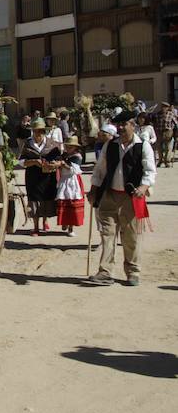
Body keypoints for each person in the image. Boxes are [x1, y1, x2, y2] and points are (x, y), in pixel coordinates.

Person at [88, 111, 156, 286]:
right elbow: (100, 170)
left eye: (124, 124)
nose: (120, 128)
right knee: (107, 234)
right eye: (118, 125)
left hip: (131, 197)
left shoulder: (143, 146)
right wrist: (94, 189)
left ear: (132, 125)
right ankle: (105, 272)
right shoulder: (110, 145)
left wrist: (144, 186)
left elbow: (150, 170)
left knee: (131, 236)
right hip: (110, 195)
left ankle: (133, 272)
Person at [20, 117, 61, 236]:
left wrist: (54, 164)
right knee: (34, 199)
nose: (38, 133)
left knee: (47, 198)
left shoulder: (52, 144)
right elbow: (21, 161)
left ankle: (45, 221)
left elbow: (59, 160)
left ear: (44, 131)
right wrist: (33, 162)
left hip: (48, 177)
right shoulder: (27, 144)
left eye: (40, 131)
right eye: (36, 131)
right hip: (33, 176)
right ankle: (36, 227)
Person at [56, 136, 85, 237]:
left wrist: (64, 164)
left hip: (73, 181)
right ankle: (64, 222)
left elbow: (74, 169)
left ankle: (71, 227)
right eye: (67, 146)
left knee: (72, 203)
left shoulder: (77, 157)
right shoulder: (63, 155)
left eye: (70, 147)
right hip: (64, 179)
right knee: (63, 202)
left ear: (75, 147)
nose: (68, 148)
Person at [151, 101, 176, 168]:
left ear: (168, 108)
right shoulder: (157, 114)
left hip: (168, 132)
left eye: (165, 107)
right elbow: (153, 122)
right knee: (159, 148)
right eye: (162, 107)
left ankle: (167, 162)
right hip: (159, 132)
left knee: (168, 148)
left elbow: (175, 123)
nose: (163, 108)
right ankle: (160, 161)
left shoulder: (171, 114)